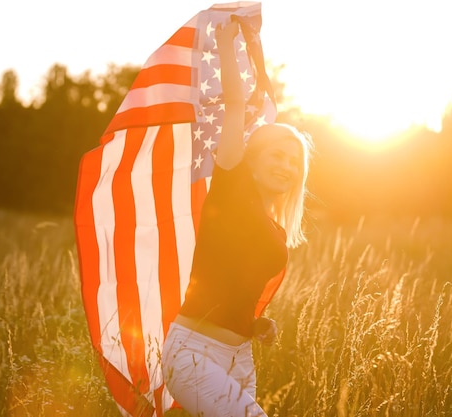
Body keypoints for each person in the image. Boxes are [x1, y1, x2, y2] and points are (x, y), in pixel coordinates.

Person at [161, 19, 313, 417]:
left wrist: (253, 323)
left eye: (294, 161)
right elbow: (234, 104)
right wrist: (227, 43)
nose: (286, 166)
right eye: (276, 155)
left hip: (239, 357)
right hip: (194, 354)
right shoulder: (230, 189)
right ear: (252, 159)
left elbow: (236, 284)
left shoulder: (275, 228)